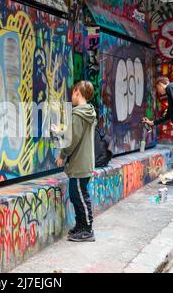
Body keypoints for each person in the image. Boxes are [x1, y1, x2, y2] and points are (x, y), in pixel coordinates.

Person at [53, 80, 97, 242]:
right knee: (76, 195)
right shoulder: (87, 112)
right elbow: (76, 133)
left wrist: (62, 155)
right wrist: (61, 131)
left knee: (79, 196)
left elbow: (72, 141)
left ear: (77, 91)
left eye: (72, 92)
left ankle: (87, 230)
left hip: (79, 164)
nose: (71, 96)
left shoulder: (79, 114)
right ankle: (81, 226)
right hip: (83, 163)